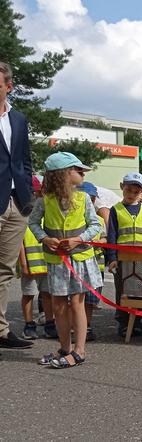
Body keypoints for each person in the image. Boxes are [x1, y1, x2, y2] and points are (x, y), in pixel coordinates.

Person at [29, 152, 103, 368]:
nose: (82, 173)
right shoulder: (45, 201)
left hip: (80, 259)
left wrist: (78, 239)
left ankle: (79, 351)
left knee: (77, 303)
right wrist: (45, 238)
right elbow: (33, 223)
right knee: (59, 304)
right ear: (64, 174)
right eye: (78, 170)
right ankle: (65, 348)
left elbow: (96, 225)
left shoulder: (83, 199)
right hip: (56, 261)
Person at [0, 61, 34, 350]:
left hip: (17, 202)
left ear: (8, 86)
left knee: (5, 270)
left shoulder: (19, 119)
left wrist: (28, 195)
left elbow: (24, 159)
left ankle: (0, 330)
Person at [106, 172, 142, 337]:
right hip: (122, 259)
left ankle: (137, 320)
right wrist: (112, 258)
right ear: (122, 188)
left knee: (139, 289)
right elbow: (111, 235)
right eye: (128, 190)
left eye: (136, 192)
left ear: (141, 192)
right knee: (122, 290)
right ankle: (123, 322)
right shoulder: (116, 210)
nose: (131, 194)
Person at [18, 176, 56, 340]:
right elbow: (19, 240)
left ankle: (49, 323)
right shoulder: (23, 211)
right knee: (29, 294)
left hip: (47, 261)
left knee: (47, 294)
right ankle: (29, 324)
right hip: (30, 263)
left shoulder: (48, 208)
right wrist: (23, 263)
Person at [78, 181, 105, 341]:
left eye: (93, 199)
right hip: (78, 266)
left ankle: (86, 327)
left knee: (89, 301)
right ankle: (75, 327)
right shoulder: (75, 219)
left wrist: (103, 241)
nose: (91, 202)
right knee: (74, 300)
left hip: (96, 268)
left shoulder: (99, 220)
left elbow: (106, 237)